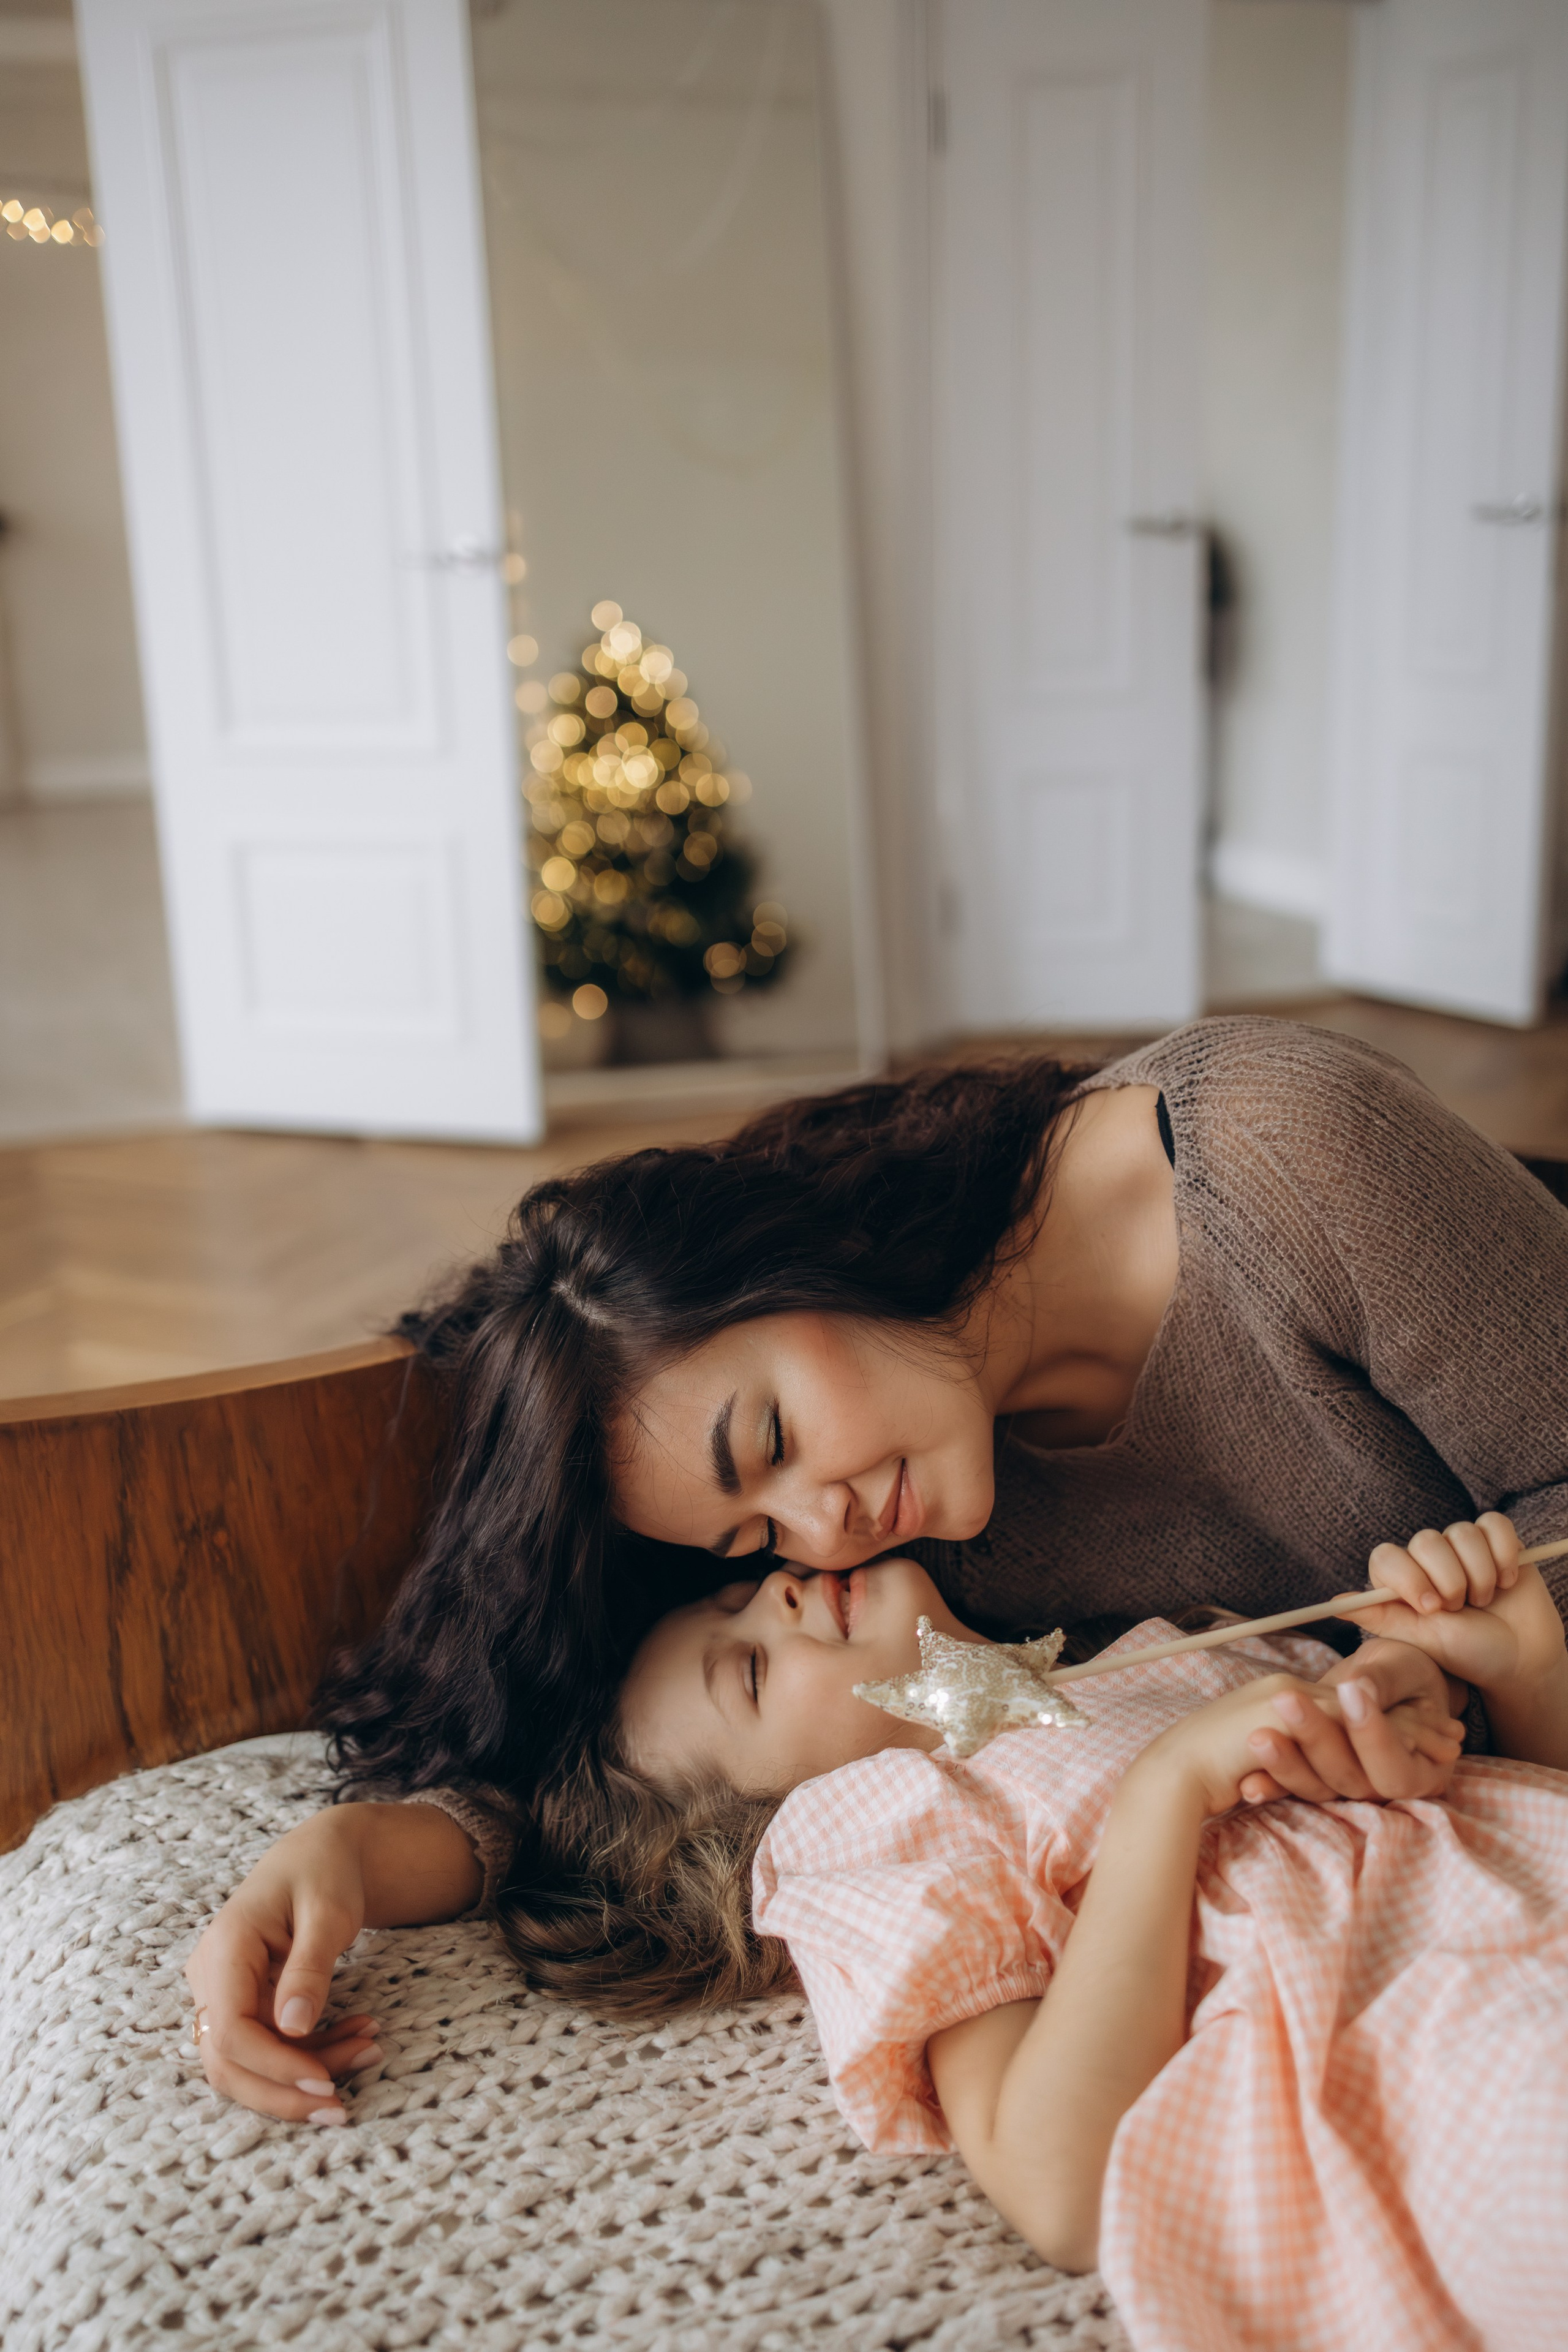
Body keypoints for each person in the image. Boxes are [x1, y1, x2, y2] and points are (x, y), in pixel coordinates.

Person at [186, 1014, 1568, 2113]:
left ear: (807, 1258)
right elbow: (653, 1756)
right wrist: (356, 1849)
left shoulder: (1279, 1152)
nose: (818, 1534)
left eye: (771, 1436)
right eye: (747, 1542)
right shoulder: (895, 1561)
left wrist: (1429, 1661)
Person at [190, 1520, 1568, 2352]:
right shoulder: (883, 1817)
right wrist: (1170, 1794)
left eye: (737, 1595)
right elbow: (1056, 2182)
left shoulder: (1166, 1649)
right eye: (748, 1664)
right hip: (1444, 2060)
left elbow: (1509, 1835)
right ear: (741, 1835)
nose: (778, 1593)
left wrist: (1512, 1673)